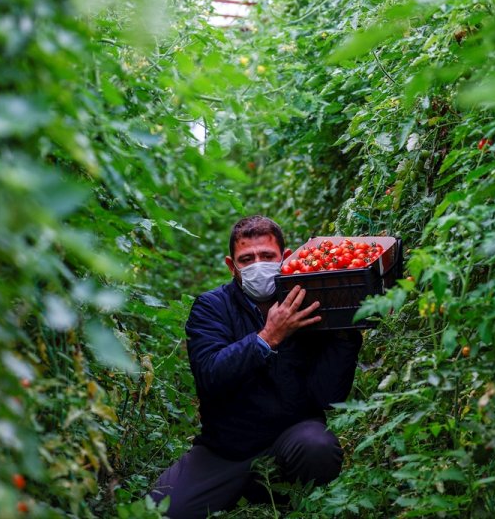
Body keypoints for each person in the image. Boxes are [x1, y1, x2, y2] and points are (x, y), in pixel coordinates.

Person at [149, 215, 363, 518]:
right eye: (246, 259)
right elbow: (210, 375)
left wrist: (344, 334)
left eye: (266, 256)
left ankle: (289, 498)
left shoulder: (309, 304)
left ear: (285, 258)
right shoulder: (211, 307)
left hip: (291, 441)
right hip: (226, 449)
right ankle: (240, 488)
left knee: (318, 445)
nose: (257, 265)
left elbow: (326, 396)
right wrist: (268, 337)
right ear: (231, 265)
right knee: (160, 510)